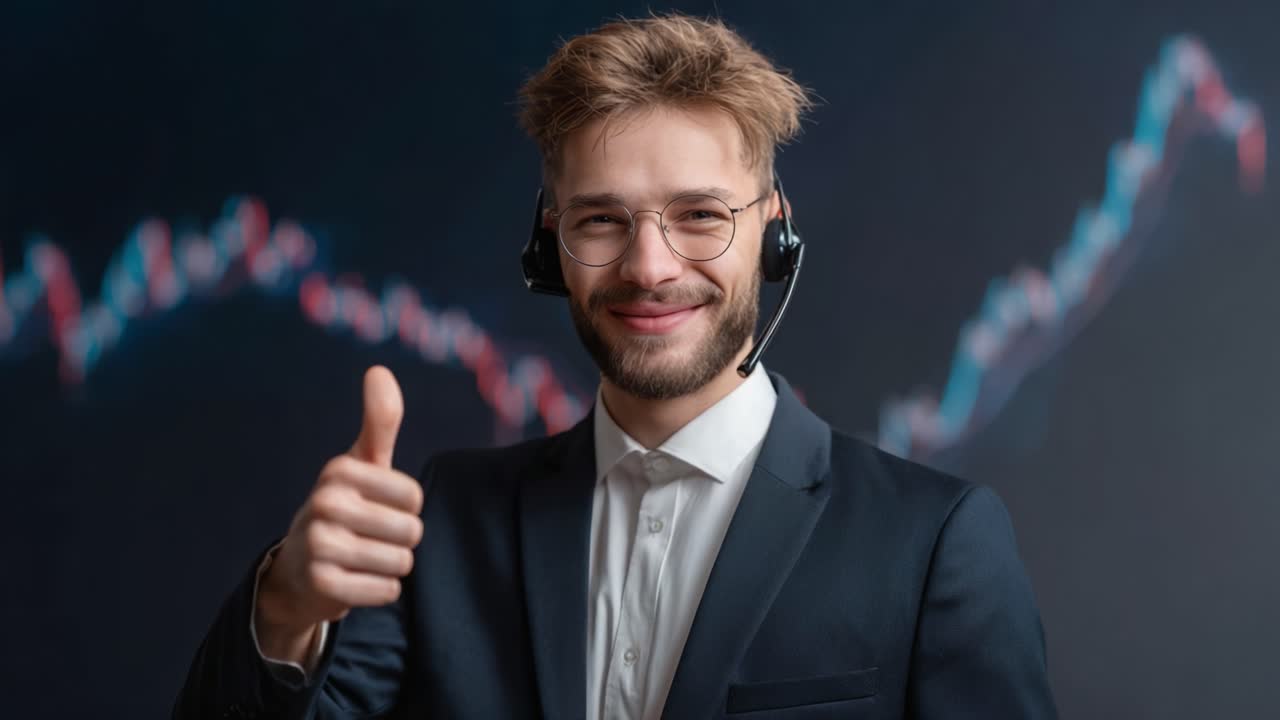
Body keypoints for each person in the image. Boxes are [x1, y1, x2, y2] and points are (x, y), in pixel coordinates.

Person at [174, 13, 1056, 720]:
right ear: (547, 247)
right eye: (601, 221)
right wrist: (284, 613)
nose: (649, 267)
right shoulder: (442, 522)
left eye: (700, 215)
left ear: (773, 232)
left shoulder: (936, 544)